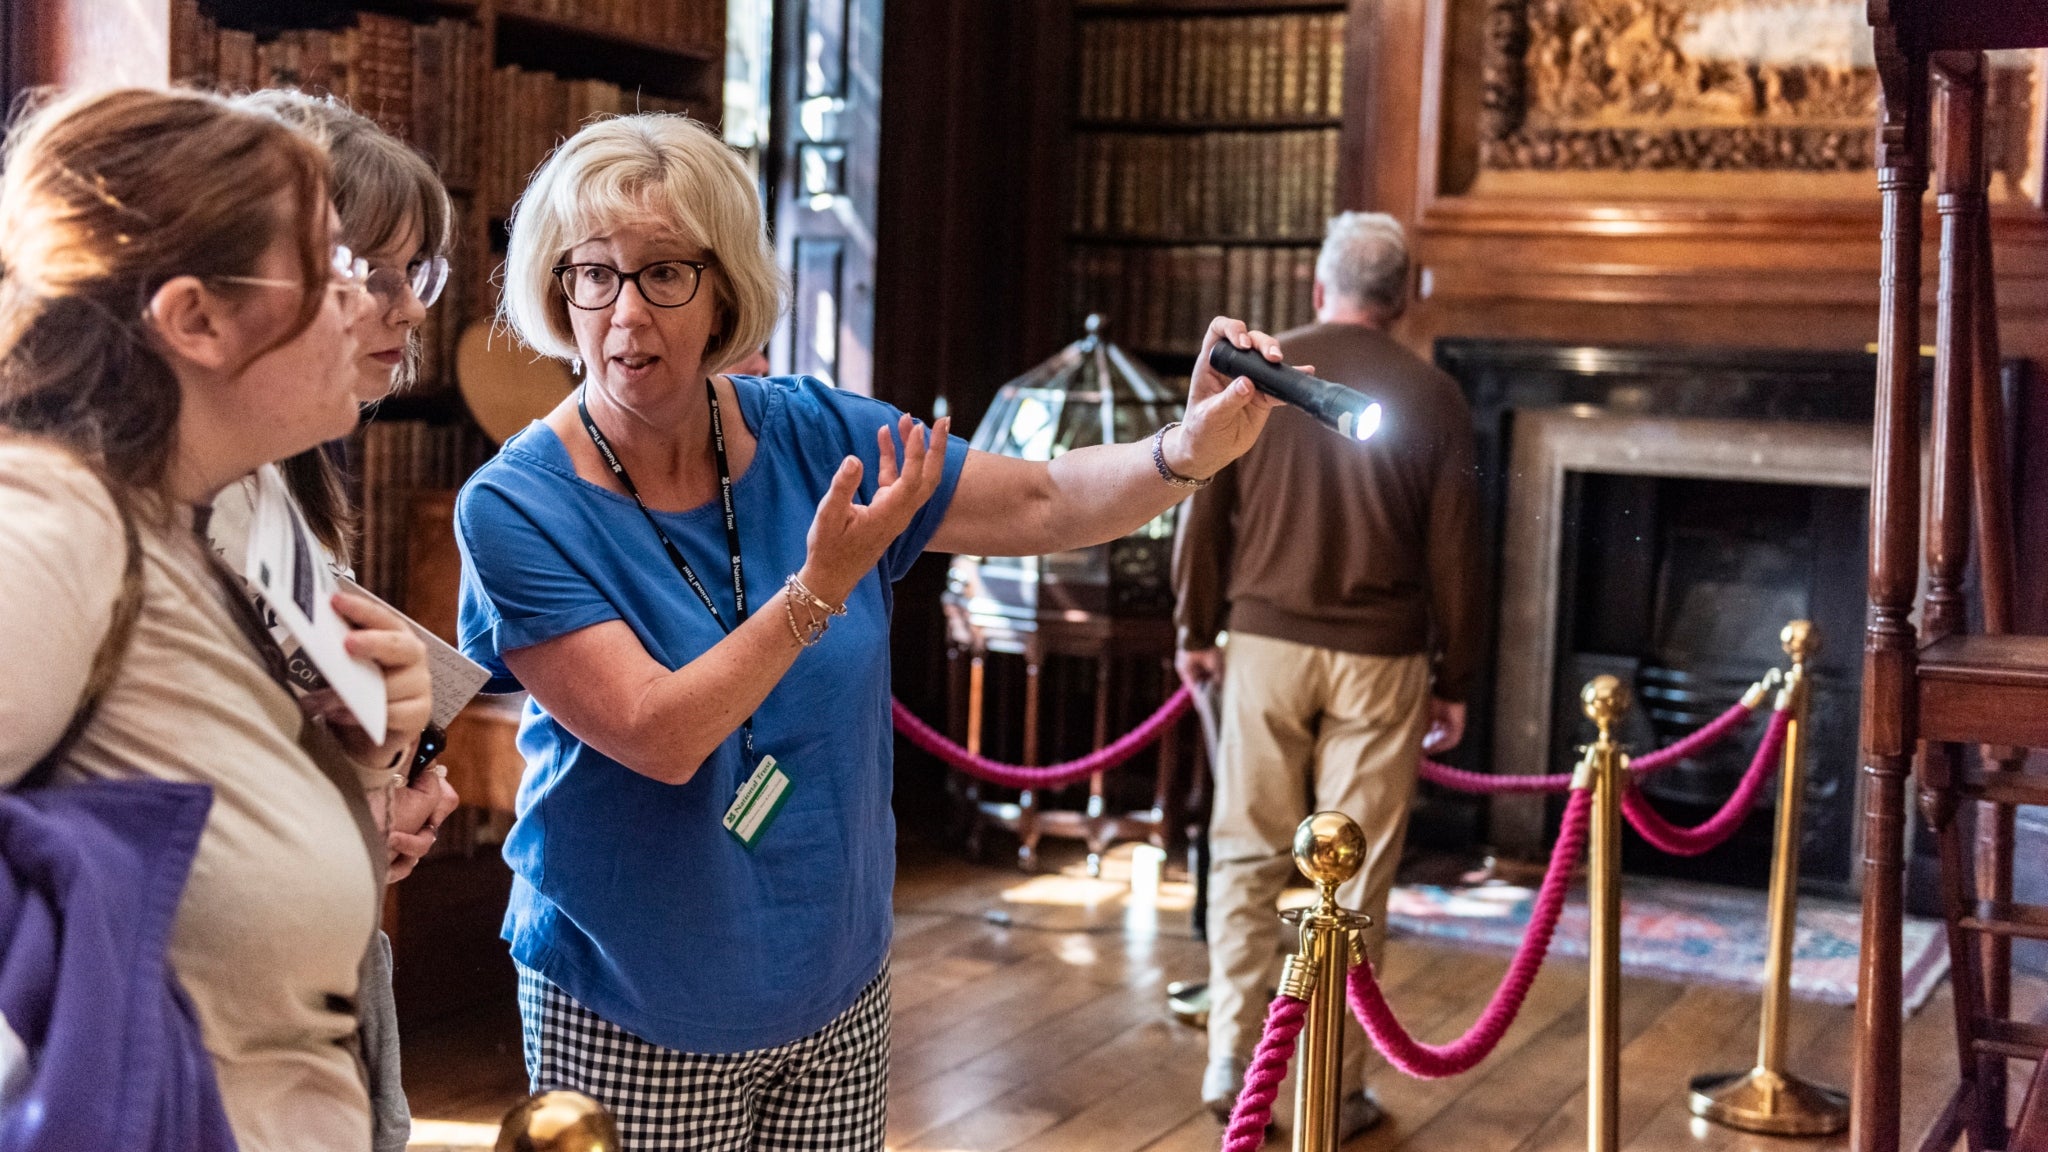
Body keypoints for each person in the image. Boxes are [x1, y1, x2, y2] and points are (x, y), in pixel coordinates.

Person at [456, 111, 1289, 1149]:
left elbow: (1040, 499)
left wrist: (1184, 447)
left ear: (721, 287)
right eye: (593, 275)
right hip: (634, 999)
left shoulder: (813, 433)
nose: (626, 314)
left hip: (832, 983)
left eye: (664, 272)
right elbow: (660, 735)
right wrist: (815, 590)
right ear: (554, 287)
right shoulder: (515, 507)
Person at [0, 87, 431, 1151]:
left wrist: (358, 759)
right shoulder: (61, 519)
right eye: (331, 273)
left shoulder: (179, 520)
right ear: (194, 318)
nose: (370, 309)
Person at [1173, 210, 1482, 1136]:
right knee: (1351, 882)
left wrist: (1197, 624)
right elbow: (1458, 559)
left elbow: (1199, 503)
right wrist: (1456, 677)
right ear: (1404, 299)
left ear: (1319, 288)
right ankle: (1332, 1090)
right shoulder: (1435, 397)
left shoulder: (1256, 377)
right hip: (1383, 663)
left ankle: (1233, 1062)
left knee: (1247, 854)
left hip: (1263, 648)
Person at [216, 88, 465, 1152]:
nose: (412, 312)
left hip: (325, 970)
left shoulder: (283, 472)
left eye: (423, 276)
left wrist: (382, 796)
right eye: (380, 276)